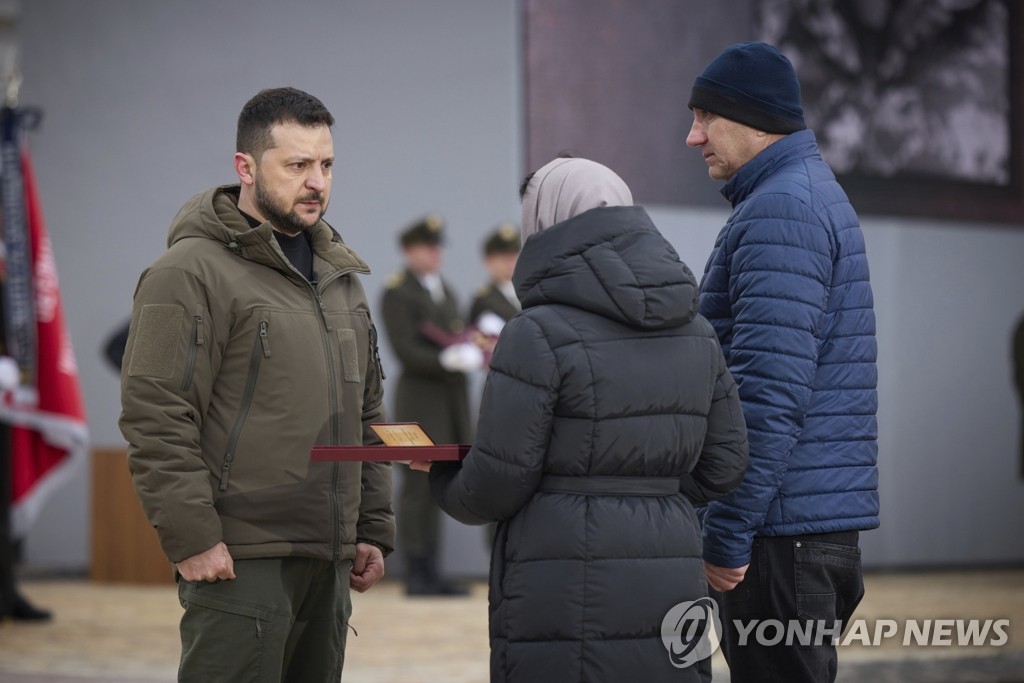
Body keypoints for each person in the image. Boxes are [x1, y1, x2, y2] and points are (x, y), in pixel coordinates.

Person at [415, 157, 749, 682]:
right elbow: (725, 464)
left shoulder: (536, 332)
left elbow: (498, 483)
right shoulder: (698, 332)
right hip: (670, 565)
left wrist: (439, 475)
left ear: (543, 222)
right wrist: (646, 483)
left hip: (563, 579)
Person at [119, 87, 394, 682]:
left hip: (328, 558)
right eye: (296, 165)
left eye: (325, 165)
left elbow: (365, 410)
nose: (316, 181)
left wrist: (371, 526)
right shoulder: (186, 274)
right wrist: (191, 535)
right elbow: (155, 414)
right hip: (239, 560)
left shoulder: (340, 278)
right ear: (245, 167)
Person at [685, 41, 879, 682]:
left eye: (704, 118)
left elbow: (767, 393)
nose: (693, 138)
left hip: (777, 535)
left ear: (752, 118)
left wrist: (729, 529)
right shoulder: (798, 196)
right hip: (798, 529)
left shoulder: (780, 211)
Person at [380, 216, 479, 596]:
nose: (434, 253)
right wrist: (445, 360)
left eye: (437, 247)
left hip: (449, 401)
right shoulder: (398, 291)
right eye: (427, 247)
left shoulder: (446, 291)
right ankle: (416, 568)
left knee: (439, 482)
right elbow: (405, 349)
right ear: (409, 251)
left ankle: (433, 567)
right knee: (417, 486)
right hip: (420, 400)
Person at [468, 223, 521, 327]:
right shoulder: (483, 300)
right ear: (488, 262)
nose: (510, 262)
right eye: (503, 257)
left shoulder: (528, 292)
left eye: (513, 255)